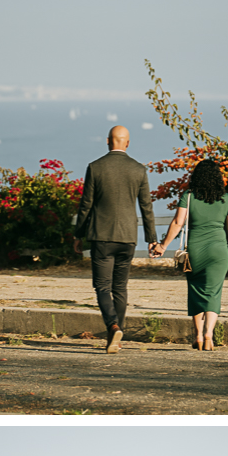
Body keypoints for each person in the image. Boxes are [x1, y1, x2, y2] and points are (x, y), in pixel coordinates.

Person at [74, 125, 160, 353]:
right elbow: (146, 207)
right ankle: (117, 336)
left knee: (102, 286)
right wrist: (152, 238)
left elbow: (86, 205)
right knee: (120, 287)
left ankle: (113, 326)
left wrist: (78, 234)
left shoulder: (95, 167)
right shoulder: (139, 169)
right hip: (128, 237)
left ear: (107, 141)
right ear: (128, 143)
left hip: (101, 237)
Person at [151, 159, 228, 350]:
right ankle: (209, 335)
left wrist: (163, 246)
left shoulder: (188, 196)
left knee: (196, 292)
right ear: (218, 178)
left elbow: (177, 223)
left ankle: (198, 337)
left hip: (195, 252)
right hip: (219, 251)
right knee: (214, 293)